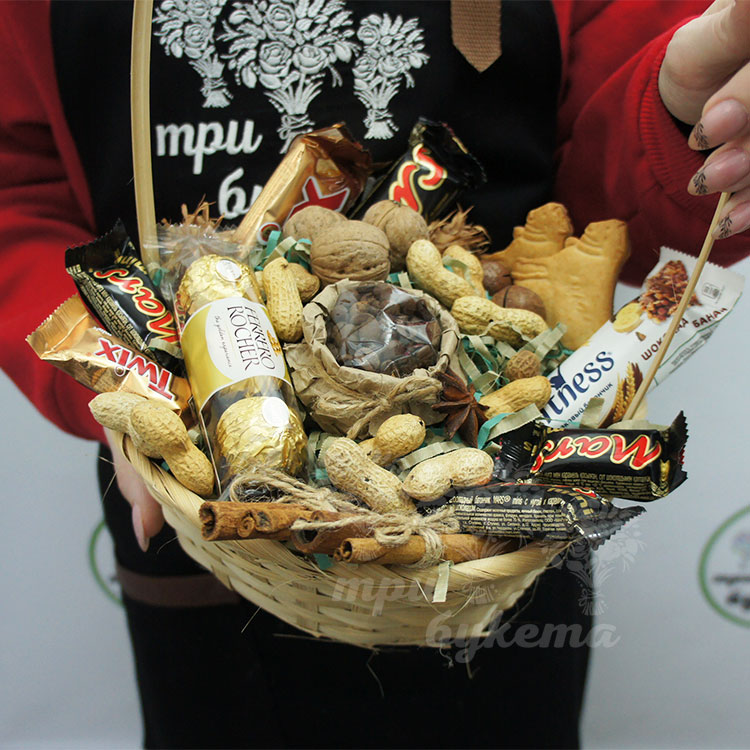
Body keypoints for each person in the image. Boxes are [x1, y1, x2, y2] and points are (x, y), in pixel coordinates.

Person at [2, 1, 750, 747]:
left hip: (491, 541)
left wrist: (681, 114)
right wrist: (117, 371)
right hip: (197, 509)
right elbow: (17, 188)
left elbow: (615, 194)